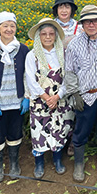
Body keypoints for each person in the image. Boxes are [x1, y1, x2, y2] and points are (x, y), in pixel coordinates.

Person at [65, 5, 97, 182]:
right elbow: (69, 71)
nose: (91, 24)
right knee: (81, 129)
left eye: (95, 21)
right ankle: (79, 163)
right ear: (82, 24)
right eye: (87, 21)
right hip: (85, 95)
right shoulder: (74, 44)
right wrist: (74, 93)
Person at [25, 18, 75, 179]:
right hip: (41, 101)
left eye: (51, 34)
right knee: (39, 131)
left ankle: (57, 160)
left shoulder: (63, 53)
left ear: (56, 36)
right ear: (39, 37)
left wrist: (58, 96)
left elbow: (68, 78)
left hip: (60, 100)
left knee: (60, 130)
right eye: (44, 34)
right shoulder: (32, 55)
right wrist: (47, 97)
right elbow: (31, 81)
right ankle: (39, 163)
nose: (47, 37)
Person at [0, 11, 30, 183]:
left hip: (17, 101)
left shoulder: (23, 49)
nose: (9, 29)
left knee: (15, 133)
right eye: (5, 26)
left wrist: (26, 96)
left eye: (12, 26)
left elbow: (27, 75)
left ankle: (13, 163)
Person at [52, 0, 83, 157]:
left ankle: (73, 141)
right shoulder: (50, 26)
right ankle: (57, 140)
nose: (64, 10)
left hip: (75, 74)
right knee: (57, 108)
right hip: (54, 73)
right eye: (60, 6)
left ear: (72, 9)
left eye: (67, 6)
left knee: (75, 107)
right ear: (56, 10)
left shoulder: (81, 27)